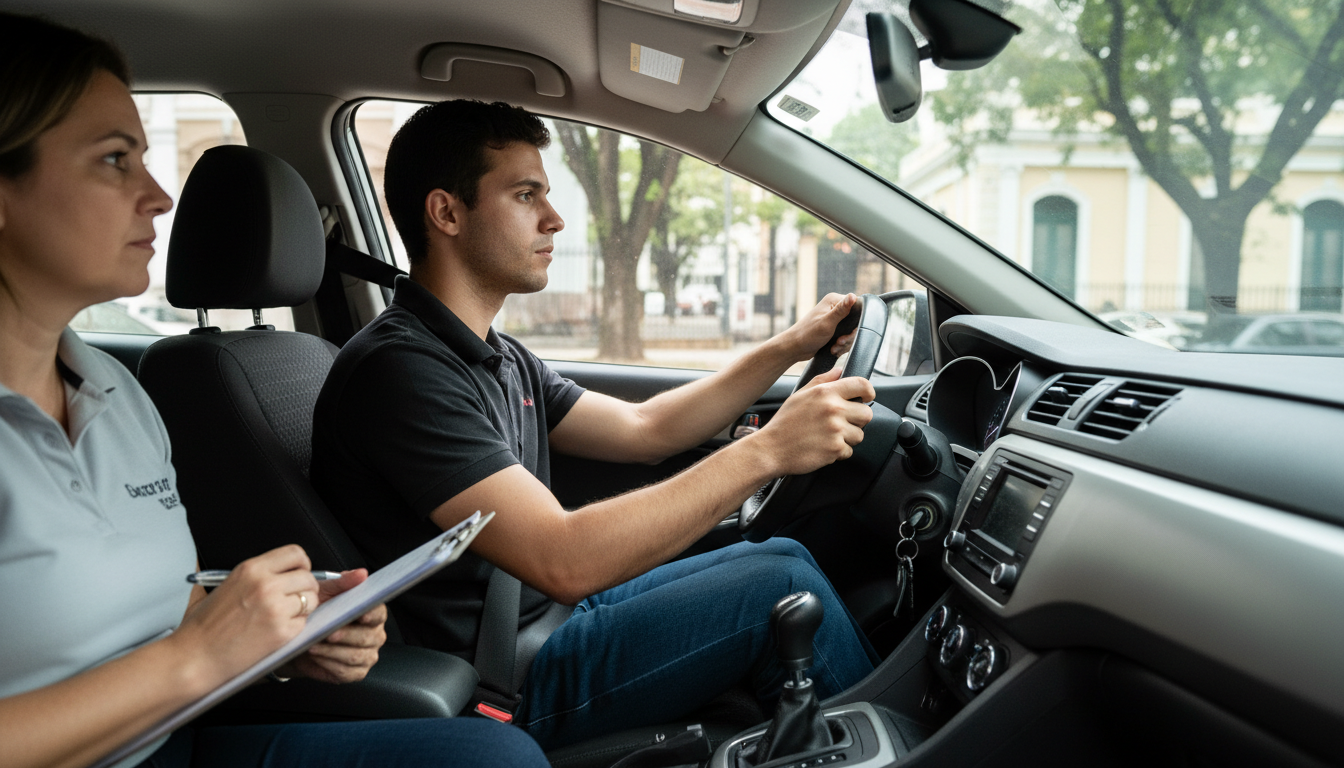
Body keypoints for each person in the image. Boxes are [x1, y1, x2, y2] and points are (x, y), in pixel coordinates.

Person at [0, 14, 548, 768]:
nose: (159, 196)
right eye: (114, 160)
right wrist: (196, 659)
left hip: (174, 739)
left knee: (493, 759)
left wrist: (286, 637)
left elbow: (169, 603)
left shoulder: (117, 396)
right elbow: (182, 653)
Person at [310, 99, 880, 750]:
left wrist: (790, 346)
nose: (554, 219)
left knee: (781, 556)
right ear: (446, 212)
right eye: (526, 195)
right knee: (778, 588)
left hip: (545, 619)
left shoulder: (492, 354)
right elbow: (564, 557)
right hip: (500, 675)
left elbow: (645, 428)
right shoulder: (401, 373)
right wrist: (767, 452)